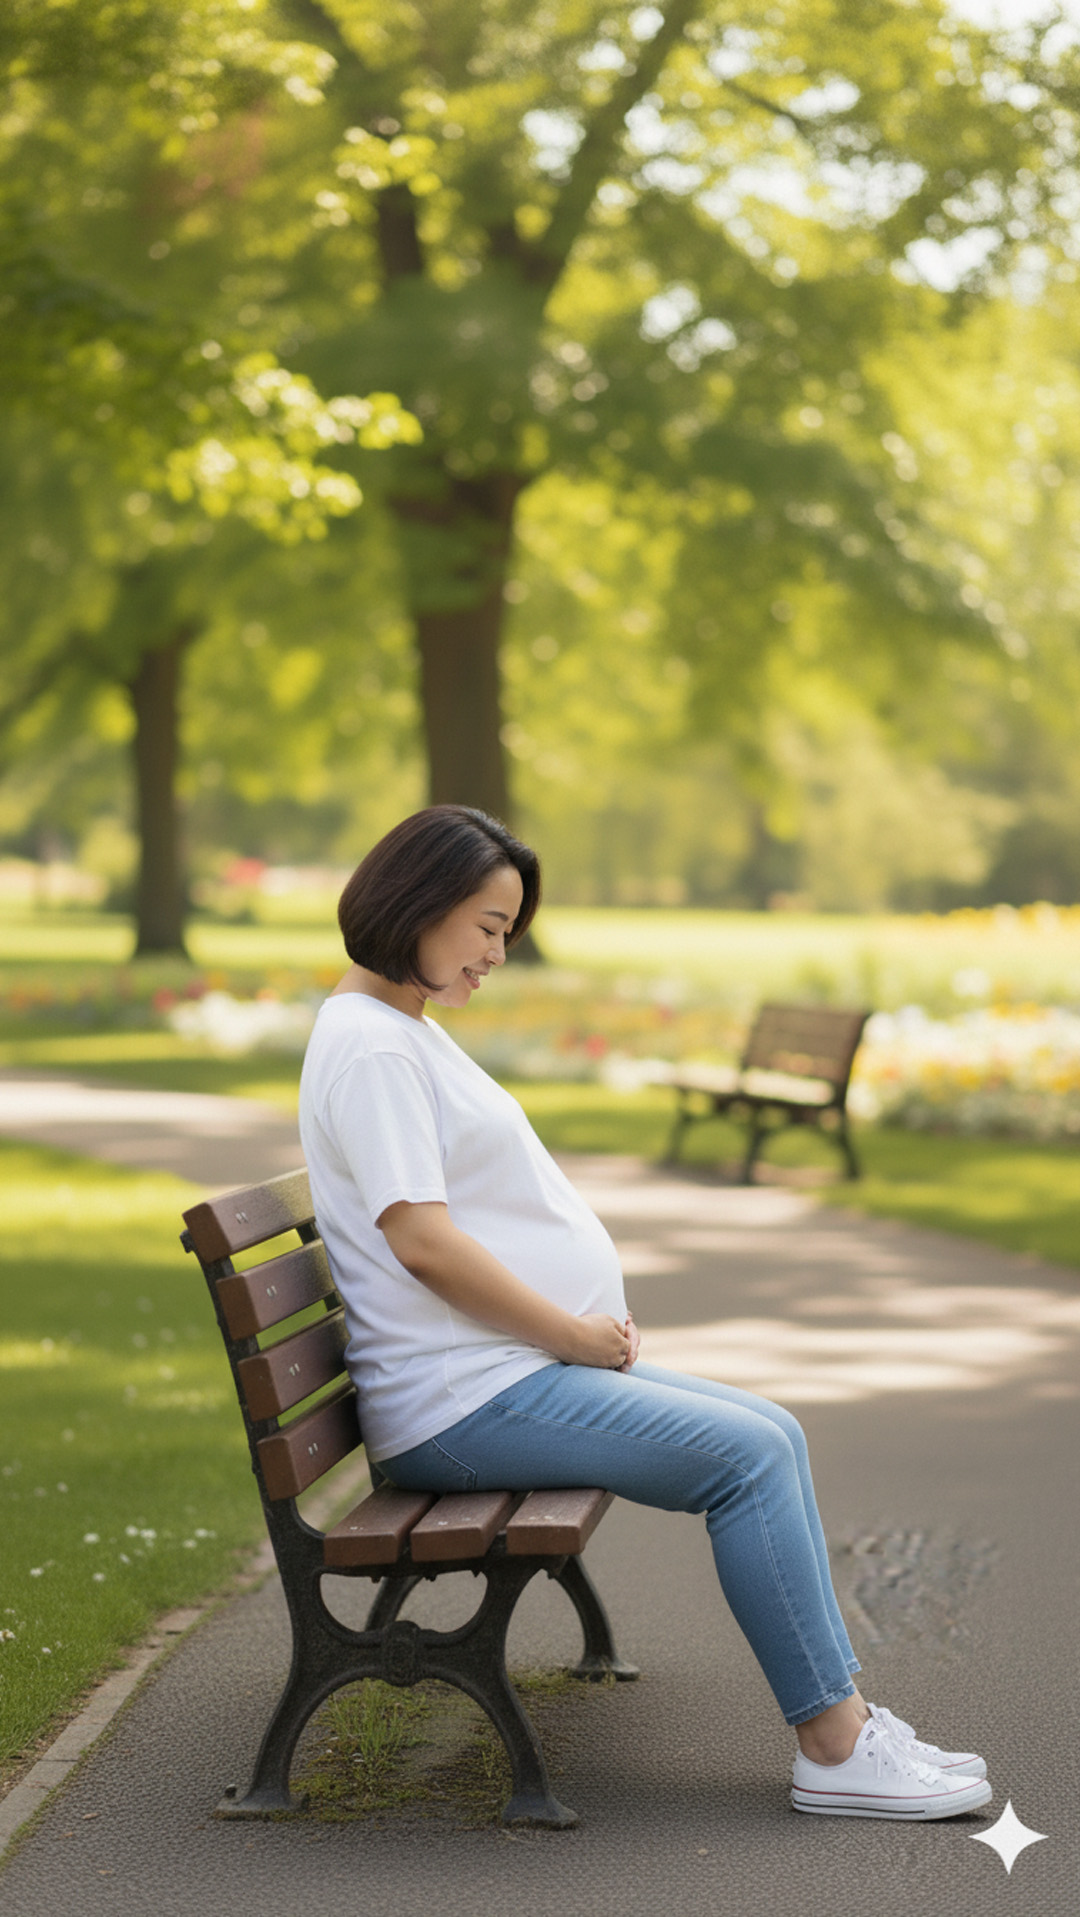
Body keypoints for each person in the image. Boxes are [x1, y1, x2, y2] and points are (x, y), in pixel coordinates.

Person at [299, 804, 992, 1821]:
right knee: (746, 1460)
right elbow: (424, 1242)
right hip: (462, 1402)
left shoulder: (395, 1029)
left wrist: (576, 1328)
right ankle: (835, 1749)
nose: (498, 953)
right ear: (421, 901)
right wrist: (571, 1333)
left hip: (492, 1377)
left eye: (507, 932)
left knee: (774, 1431)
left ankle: (848, 1722)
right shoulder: (376, 1049)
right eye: (489, 926)